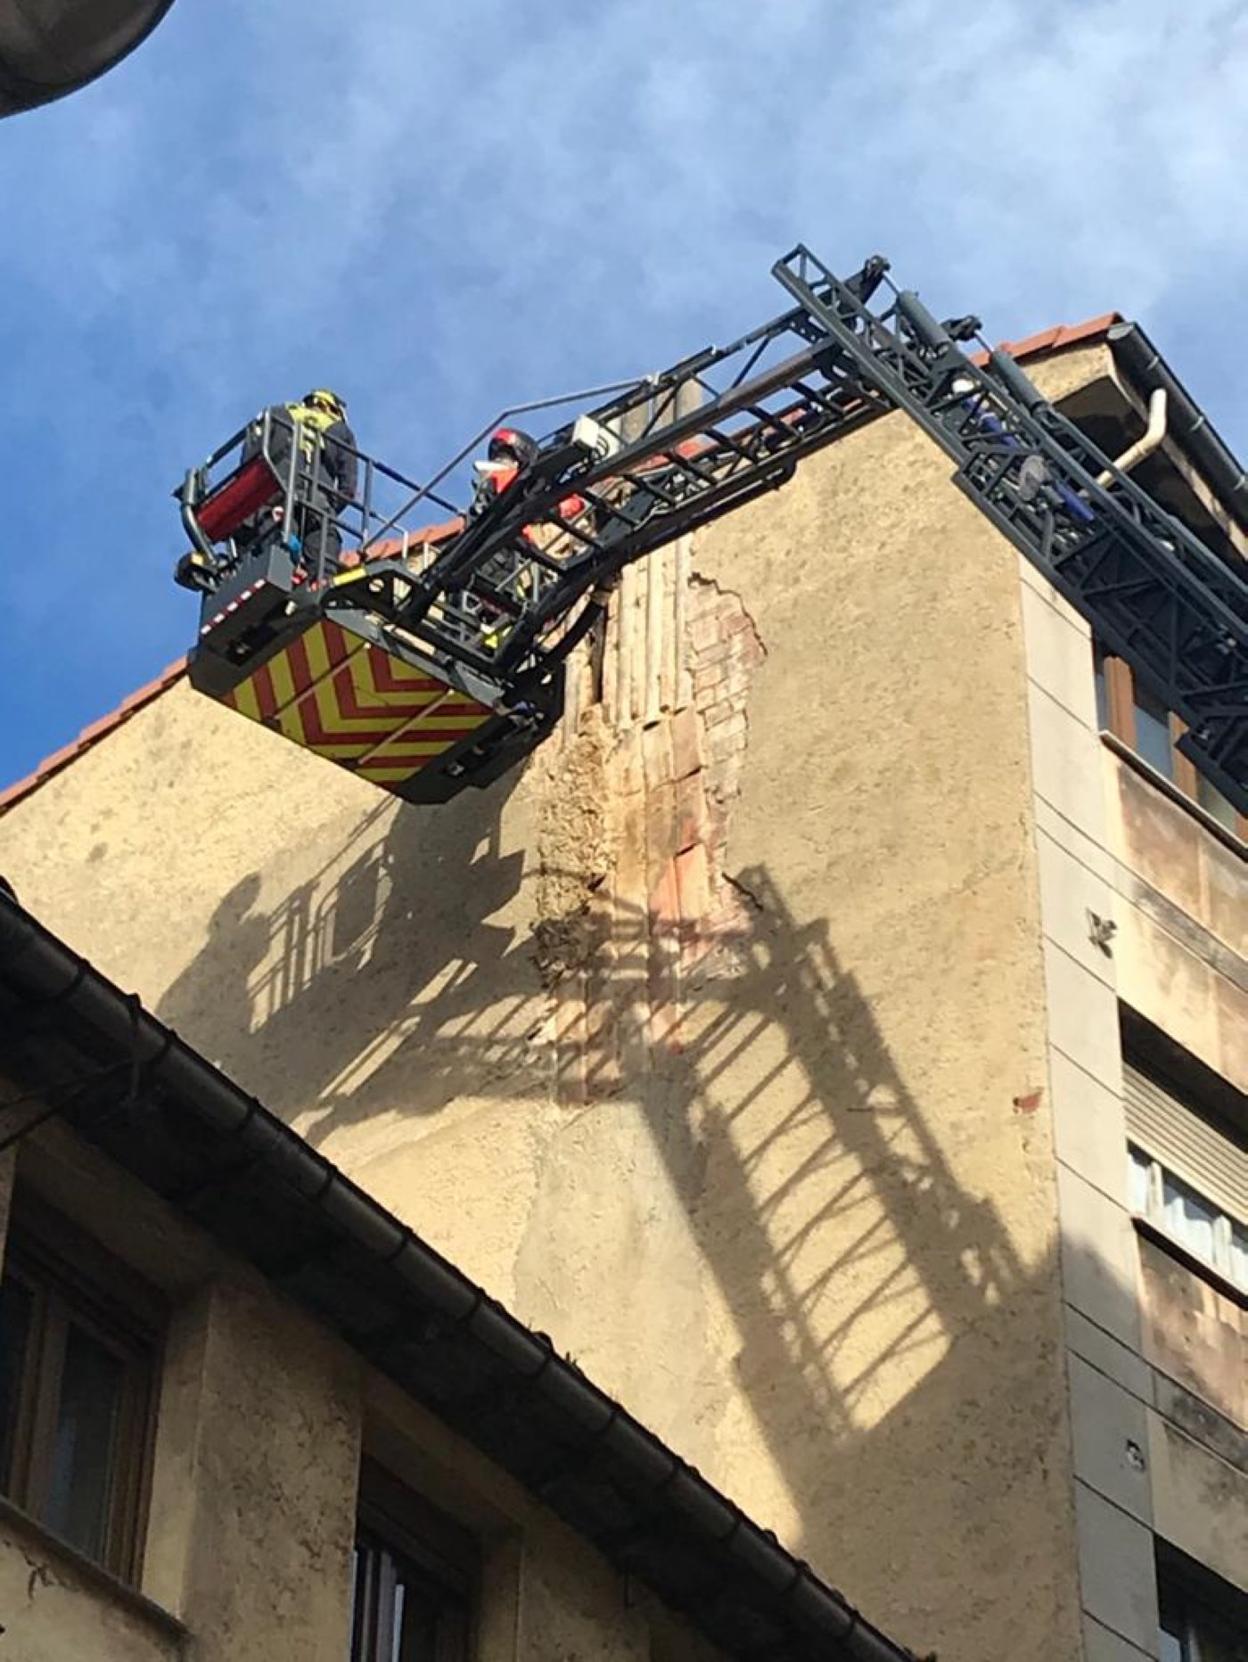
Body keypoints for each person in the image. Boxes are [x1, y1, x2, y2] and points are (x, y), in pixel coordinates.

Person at [254, 388, 358, 576]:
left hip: (277, 491)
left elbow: (252, 456)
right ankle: (321, 582)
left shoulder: (277, 413)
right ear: (335, 410)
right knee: (324, 544)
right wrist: (329, 509)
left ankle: (282, 552)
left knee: (277, 542)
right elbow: (348, 487)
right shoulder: (341, 431)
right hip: (318, 500)